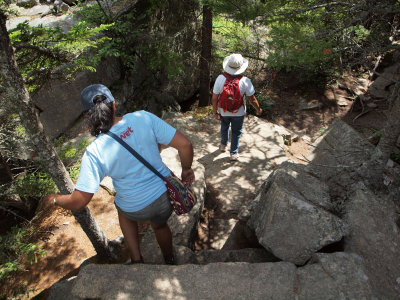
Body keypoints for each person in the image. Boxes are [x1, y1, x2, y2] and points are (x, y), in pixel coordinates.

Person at [42, 84, 195, 265]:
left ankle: (137, 260)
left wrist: (54, 199)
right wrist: (186, 170)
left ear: (87, 116)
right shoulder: (143, 117)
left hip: (135, 208)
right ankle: (169, 259)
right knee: (160, 225)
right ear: (114, 104)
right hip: (164, 198)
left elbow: (79, 201)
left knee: (123, 210)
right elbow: (185, 145)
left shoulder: (95, 151)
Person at [211, 53, 263, 161]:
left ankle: (223, 145)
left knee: (224, 127)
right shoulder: (245, 80)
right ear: (241, 67)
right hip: (238, 112)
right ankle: (233, 153)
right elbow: (252, 99)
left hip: (223, 110)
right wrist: (258, 109)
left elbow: (214, 98)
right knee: (236, 131)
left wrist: (215, 112)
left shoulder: (220, 78)